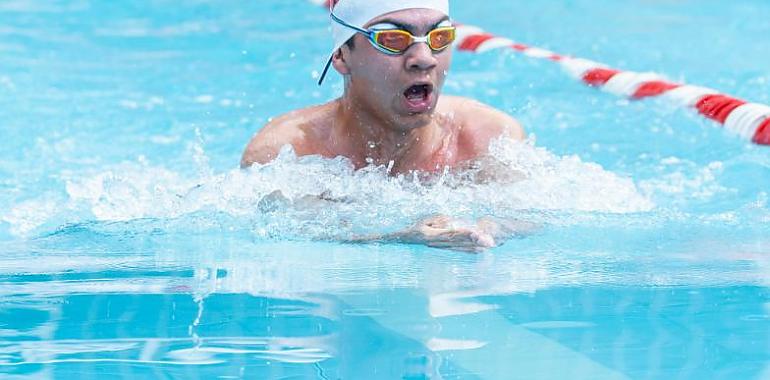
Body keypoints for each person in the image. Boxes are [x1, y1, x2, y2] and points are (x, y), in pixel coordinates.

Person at [241, 0, 527, 252]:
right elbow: (285, 233)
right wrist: (400, 237)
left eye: (439, 37)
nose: (425, 59)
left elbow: (529, 216)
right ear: (341, 55)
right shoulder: (288, 151)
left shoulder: (487, 139)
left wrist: (492, 228)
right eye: (392, 39)